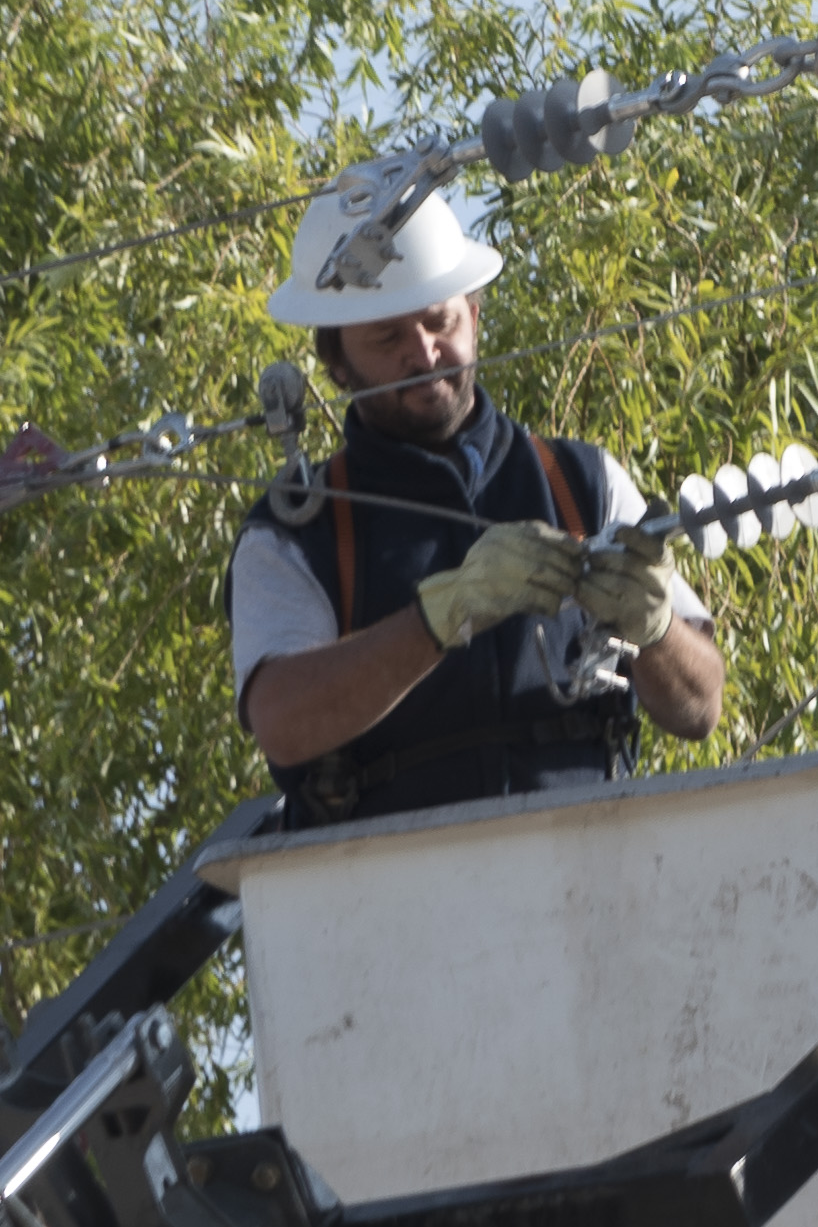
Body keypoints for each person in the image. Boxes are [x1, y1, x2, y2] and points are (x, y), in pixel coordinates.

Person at [229, 181, 728, 822]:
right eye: (386, 338)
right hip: (388, 885)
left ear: (474, 313)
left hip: (593, 871)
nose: (423, 352)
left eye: (440, 320)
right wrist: (440, 616)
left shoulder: (581, 480)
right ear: (336, 362)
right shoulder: (300, 528)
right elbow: (284, 722)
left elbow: (700, 706)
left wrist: (656, 630)